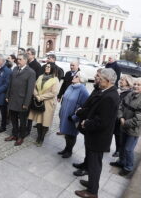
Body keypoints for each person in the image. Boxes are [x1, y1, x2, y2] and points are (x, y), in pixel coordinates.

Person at [75, 68, 120, 198]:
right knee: (93, 163)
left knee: (95, 165)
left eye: (99, 78)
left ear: (107, 80)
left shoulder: (110, 97)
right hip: (96, 136)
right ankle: (91, 184)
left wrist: (86, 123)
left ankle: (92, 192)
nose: (97, 80)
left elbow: (102, 122)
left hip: (99, 138)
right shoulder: (107, 92)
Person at [110, 78, 141, 176]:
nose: (136, 86)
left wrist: (125, 123)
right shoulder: (129, 94)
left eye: (139, 85)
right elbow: (120, 107)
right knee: (122, 146)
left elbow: (139, 120)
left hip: (133, 131)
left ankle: (128, 167)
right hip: (123, 126)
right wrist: (120, 118)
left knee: (128, 149)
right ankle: (121, 162)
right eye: (135, 84)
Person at [73, 69, 103, 177]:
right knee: (87, 147)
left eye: (97, 76)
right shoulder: (97, 89)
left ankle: (87, 168)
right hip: (87, 123)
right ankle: (85, 164)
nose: (95, 77)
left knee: (91, 150)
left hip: (91, 124)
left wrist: (80, 111)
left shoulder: (102, 92)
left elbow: (92, 109)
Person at [5, 54, 36, 146]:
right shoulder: (15, 69)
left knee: (22, 121)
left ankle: (21, 137)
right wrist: (7, 96)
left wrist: (26, 103)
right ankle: (14, 134)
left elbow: (30, 89)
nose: (18, 61)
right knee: (13, 119)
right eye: (17, 59)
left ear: (25, 60)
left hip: (22, 101)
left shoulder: (31, 72)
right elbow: (10, 84)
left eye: (20, 59)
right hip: (13, 99)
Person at [58, 72, 89, 158]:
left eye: (76, 76)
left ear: (80, 79)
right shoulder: (70, 86)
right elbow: (64, 100)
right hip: (65, 115)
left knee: (71, 135)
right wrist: (61, 112)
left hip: (73, 117)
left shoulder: (83, 90)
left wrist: (75, 117)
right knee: (66, 134)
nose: (73, 77)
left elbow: (85, 107)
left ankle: (69, 151)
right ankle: (66, 148)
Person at [28, 63, 59, 147]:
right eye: (46, 66)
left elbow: (54, 93)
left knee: (45, 122)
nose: (47, 68)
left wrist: (40, 97)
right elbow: (34, 87)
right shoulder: (40, 76)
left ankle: (42, 138)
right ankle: (38, 137)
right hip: (38, 102)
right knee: (38, 121)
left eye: (49, 67)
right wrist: (36, 95)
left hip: (48, 103)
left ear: (52, 69)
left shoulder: (55, 79)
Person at [56, 61, 80, 135]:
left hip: (74, 100)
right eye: (70, 65)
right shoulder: (68, 73)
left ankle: (68, 130)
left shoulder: (80, 75)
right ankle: (62, 129)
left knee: (70, 115)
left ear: (78, 66)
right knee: (62, 114)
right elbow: (63, 85)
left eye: (73, 65)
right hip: (66, 98)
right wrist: (59, 95)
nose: (71, 67)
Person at [112, 74, 134, 157]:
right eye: (120, 79)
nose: (120, 81)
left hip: (121, 117)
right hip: (114, 115)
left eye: (123, 80)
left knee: (118, 134)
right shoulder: (119, 90)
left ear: (128, 83)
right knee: (112, 132)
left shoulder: (129, 93)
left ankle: (118, 150)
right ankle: (108, 147)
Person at [26, 47, 42, 135]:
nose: (26, 55)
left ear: (32, 54)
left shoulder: (37, 65)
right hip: (24, 90)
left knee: (29, 112)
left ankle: (28, 130)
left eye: (28, 54)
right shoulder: (27, 63)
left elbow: (38, 80)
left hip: (31, 91)